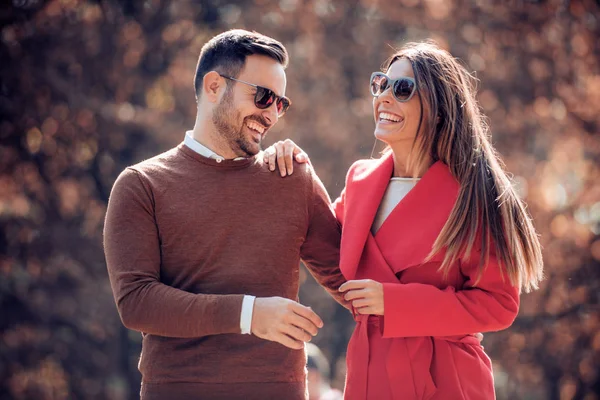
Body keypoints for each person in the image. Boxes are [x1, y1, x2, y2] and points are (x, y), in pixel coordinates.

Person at [264, 41, 544, 399]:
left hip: (445, 379)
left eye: (403, 89)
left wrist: (394, 302)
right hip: (370, 373)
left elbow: (499, 304)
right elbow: (322, 241)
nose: (384, 97)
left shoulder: (472, 194)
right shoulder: (360, 180)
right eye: (380, 84)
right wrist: (293, 164)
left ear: (439, 109)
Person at [103, 29, 348, 400]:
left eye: (280, 103)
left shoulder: (292, 177)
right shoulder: (141, 185)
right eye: (263, 97)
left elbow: (350, 274)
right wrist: (249, 314)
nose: (271, 115)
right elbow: (137, 302)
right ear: (214, 86)